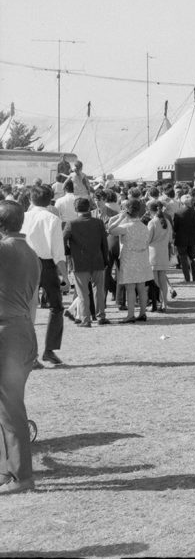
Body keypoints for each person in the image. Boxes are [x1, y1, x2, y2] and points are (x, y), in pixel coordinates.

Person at [0, 200, 42, 494]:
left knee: (9, 405)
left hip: (8, 333)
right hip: (21, 330)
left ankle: (20, 476)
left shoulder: (5, 250)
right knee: (6, 405)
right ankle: (9, 469)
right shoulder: (30, 252)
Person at [22, 185, 69, 365]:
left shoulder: (23, 217)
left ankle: (30, 354)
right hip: (46, 264)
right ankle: (49, 349)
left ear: (31, 199)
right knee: (56, 307)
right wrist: (65, 276)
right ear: (50, 200)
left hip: (25, 263)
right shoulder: (52, 219)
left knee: (27, 310)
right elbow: (58, 252)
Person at [63, 197, 111, 326]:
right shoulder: (98, 223)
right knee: (99, 290)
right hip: (97, 259)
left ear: (75, 209)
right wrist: (106, 259)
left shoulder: (71, 223)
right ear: (89, 207)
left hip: (79, 261)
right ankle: (101, 316)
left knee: (83, 292)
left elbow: (62, 241)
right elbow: (104, 244)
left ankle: (86, 319)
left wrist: (69, 252)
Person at [107, 198, 154, 323]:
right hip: (142, 258)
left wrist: (120, 218)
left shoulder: (125, 227)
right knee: (141, 287)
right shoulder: (145, 227)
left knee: (130, 288)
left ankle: (131, 314)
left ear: (127, 211)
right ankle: (143, 313)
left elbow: (110, 229)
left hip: (129, 259)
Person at [146, 200, 174, 312]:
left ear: (150, 210)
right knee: (163, 280)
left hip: (153, 253)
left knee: (155, 281)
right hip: (163, 252)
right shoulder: (166, 221)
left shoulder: (152, 222)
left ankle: (156, 302)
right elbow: (171, 238)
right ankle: (164, 303)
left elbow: (147, 239)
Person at [172, 194, 195, 283]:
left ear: (182, 202)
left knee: (183, 258)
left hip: (181, 238)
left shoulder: (178, 213)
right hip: (192, 238)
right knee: (193, 258)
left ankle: (187, 277)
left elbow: (175, 228)